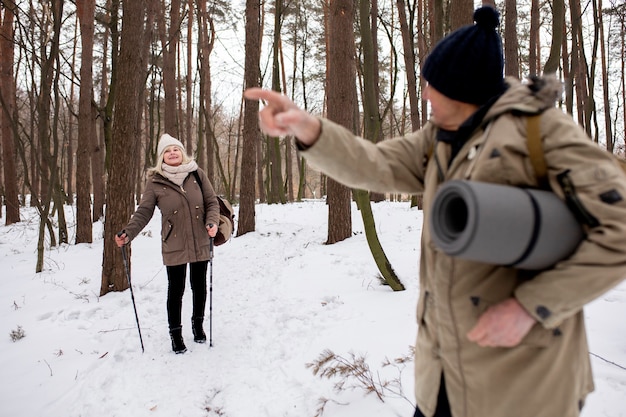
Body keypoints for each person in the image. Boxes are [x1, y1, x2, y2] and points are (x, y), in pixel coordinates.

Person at [244, 6, 626, 417]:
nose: (424, 93)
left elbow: (619, 230)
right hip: (444, 375)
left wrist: (530, 307)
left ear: (462, 91)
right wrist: (308, 129)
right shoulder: (439, 138)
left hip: (522, 383)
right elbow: (374, 164)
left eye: (432, 86)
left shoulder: (541, 131)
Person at [115, 133, 220, 354]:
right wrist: (128, 233)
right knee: (176, 289)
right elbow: (143, 212)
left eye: (176, 149)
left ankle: (198, 325)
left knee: (199, 286)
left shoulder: (197, 175)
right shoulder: (155, 182)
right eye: (167, 151)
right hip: (174, 243)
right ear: (162, 157)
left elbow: (211, 202)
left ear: (182, 153)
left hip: (201, 239)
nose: (173, 153)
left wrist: (212, 223)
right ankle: (176, 334)